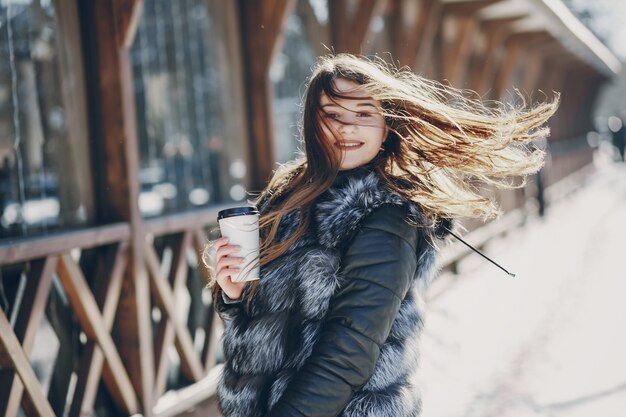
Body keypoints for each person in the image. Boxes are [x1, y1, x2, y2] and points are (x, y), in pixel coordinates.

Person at [205, 54, 559, 417]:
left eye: (363, 114)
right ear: (312, 121)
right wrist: (235, 295)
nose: (347, 127)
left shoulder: (386, 217)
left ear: (385, 126)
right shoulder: (287, 198)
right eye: (333, 114)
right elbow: (268, 324)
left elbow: (347, 356)